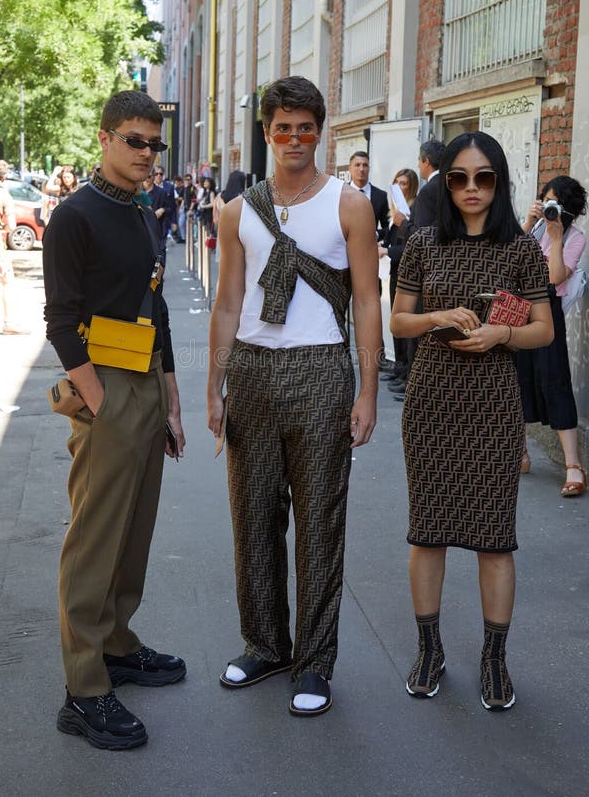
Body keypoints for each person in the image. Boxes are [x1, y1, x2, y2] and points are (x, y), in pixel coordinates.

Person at [207, 75, 381, 716]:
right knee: (252, 517)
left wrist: (368, 391)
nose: (295, 139)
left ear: (320, 132)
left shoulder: (348, 204)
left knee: (319, 522)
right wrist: (214, 386)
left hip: (320, 372)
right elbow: (228, 302)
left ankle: (313, 662)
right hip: (251, 371)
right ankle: (265, 644)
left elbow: (366, 299)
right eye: (283, 127)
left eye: (307, 127)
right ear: (266, 133)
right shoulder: (237, 210)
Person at [42, 90, 187, 750]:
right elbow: (60, 323)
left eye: (154, 143)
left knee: (134, 532)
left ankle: (117, 646)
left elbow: (153, 309)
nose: (147, 154)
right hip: (104, 388)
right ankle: (83, 689)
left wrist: (171, 400)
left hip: (145, 383)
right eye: (135, 140)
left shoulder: (139, 208)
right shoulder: (75, 216)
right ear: (104, 138)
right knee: (95, 541)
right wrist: (101, 405)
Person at [390, 131, 553, 711]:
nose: (471, 189)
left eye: (483, 177)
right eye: (459, 177)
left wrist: (500, 333)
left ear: (499, 182)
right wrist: (438, 315)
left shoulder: (520, 249)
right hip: (432, 402)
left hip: (493, 405)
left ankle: (494, 659)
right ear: (447, 183)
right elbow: (397, 323)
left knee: (493, 540)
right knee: (428, 531)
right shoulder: (424, 243)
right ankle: (429, 650)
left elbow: (544, 329)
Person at [516, 176, 588, 496]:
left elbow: (556, 276)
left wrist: (556, 237)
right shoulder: (533, 229)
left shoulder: (575, 237)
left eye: (554, 203)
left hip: (548, 309)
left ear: (568, 209)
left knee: (554, 380)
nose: (549, 208)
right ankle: (519, 452)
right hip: (519, 310)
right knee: (516, 377)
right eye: (545, 201)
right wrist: (530, 221)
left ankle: (574, 465)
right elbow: (509, 260)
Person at [388, 140, 447, 399]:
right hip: (444, 272)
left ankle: (414, 387)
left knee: (416, 332)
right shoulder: (447, 186)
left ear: (425, 162)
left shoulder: (429, 191)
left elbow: (422, 239)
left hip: (426, 274)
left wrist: (402, 223)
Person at [348, 150, 391, 371]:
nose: (361, 169)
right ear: (350, 168)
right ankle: (343, 351)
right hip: (344, 259)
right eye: (357, 165)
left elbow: (387, 229)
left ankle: (378, 354)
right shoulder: (340, 194)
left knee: (372, 305)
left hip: (371, 261)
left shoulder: (380, 196)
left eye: (365, 165)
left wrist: (376, 240)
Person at [378, 168, 419, 385]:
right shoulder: (395, 213)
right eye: (397, 183)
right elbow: (390, 239)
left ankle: (406, 373)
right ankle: (400, 367)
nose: (400, 187)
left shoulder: (411, 212)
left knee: (405, 322)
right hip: (393, 272)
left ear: (411, 187)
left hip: (407, 274)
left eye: (404, 183)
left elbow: (410, 247)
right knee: (395, 319)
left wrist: (387, 251)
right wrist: (381, 244)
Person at [0, 159, 29, 335]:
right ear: (4, 177)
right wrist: (3, 229)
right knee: (6, 281)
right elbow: (11, 225)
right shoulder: (3, 195)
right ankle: (8, 323)